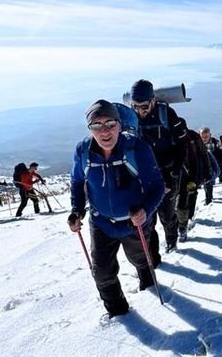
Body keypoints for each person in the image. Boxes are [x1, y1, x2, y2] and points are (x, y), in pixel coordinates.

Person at [69, 100, 165, 317]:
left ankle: (149, 286)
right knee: (102, 273)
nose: (104, 131)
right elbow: (77, 181)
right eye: (96, 125)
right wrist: (77, 210)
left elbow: (157, 186)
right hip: (101, 222)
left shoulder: (137, 148)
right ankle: (119, 313)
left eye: (110, 123)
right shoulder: (83, 151)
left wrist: (145, 210)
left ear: (120, 125)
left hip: (134, 223)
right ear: (89, 129)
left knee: (141, 260)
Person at [130, 79, 188, 256]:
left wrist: (174, 173)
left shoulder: (167, 114)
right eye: (136, 106)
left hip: (167, 173)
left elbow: (182, 145)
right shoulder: (131, 118)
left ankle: (171, 242)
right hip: (144, 176)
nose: (140, 111)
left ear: (153, 100)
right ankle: (153, 256)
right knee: (147, 218)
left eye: (144, 106)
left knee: (167, 214)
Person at [177, 120, 212, 242]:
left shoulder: (194, 136)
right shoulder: (172, 135)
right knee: (180, 199)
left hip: (193, 171)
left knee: (191, 195)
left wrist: (207, 173)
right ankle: (182, 223)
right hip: (177, 174)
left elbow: (203, 154)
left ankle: (188, 218)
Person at [199, 126, 222, 204]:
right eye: (202, 137)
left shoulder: (214, 142)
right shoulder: (198, 143)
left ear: (210, 135)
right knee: (205, 182)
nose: (204, 138)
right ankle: (208, 196)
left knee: (209, 181)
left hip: (213, 166)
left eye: (206, 136)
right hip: (203, 166)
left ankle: (208, 199)